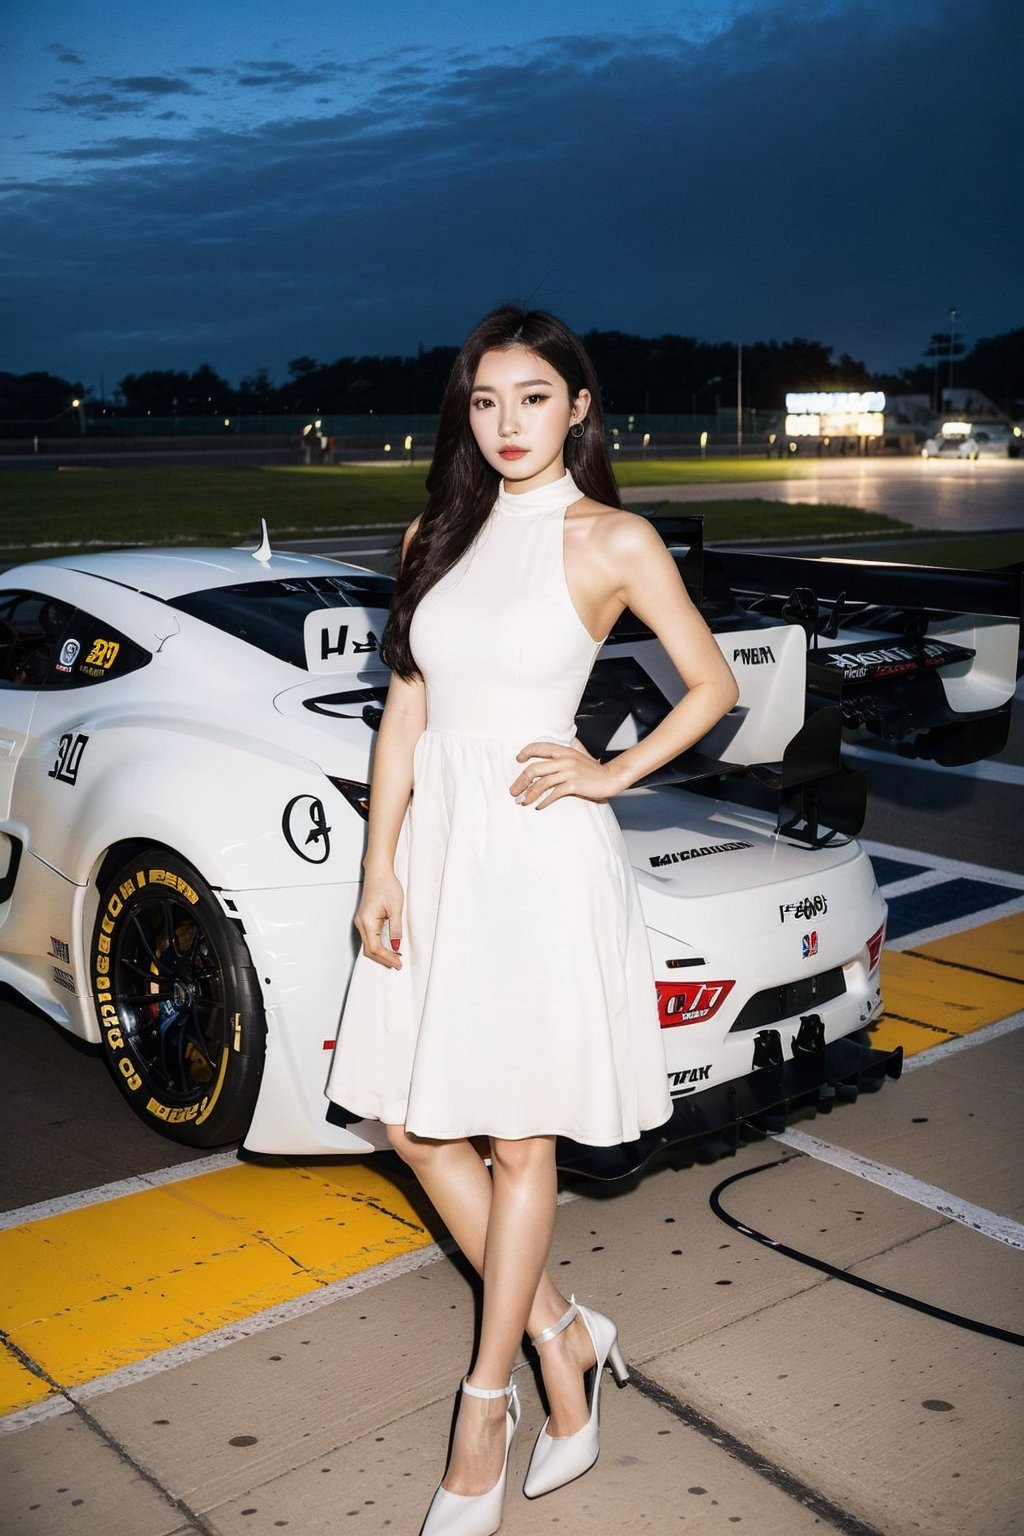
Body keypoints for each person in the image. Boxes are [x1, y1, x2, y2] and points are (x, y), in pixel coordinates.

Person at [327, 306, 739, 1535]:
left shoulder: (610, 538)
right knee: (408, 1121)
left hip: (538, 860)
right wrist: (378, 866)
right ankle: (565, 1329)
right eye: (487, 400)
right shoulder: (434, 533)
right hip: (439, 859)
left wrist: (610, 773)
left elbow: (710, 682)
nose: (508, 423)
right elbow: (404, 712)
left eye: (533, 397)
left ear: (579, 408)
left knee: (517, 1142)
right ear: (468, 411)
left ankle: (486, 1404)